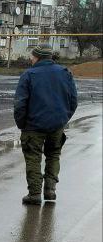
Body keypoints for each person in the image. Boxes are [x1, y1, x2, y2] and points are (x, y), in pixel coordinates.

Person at [13, 46, 77, 205]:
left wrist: (22, 124)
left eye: (32, 56)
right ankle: (50, 190)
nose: (30, 59)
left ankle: (34, 194)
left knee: (33, 157)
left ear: (38, 57)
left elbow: (20, 103)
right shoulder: (65, 73)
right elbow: (73, 101)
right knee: (53, 154)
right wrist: (63, 119)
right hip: (57, 125)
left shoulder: (29, 75)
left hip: (33, 126)